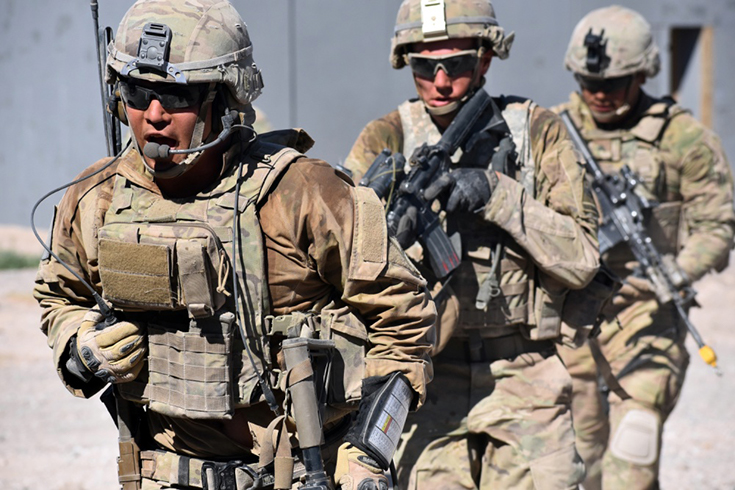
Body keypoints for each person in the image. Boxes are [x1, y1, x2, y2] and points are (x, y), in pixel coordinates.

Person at [33, 1, 436, 489]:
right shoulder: (97, 197)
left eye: (177, 97)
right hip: (163, 473)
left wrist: (369, 452)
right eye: (138, 93)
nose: (154, 116)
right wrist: (83, 347)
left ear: (224, 100)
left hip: (303, 474)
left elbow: (404, 318)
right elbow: (60, 296)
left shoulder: (304, 193)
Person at [343, 1, 601, 488]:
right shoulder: (386, 137)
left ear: (485, 59)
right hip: (427, 376)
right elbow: (339, 263)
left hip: (525, 372)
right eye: (425, 67)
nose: (441, 82)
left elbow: (583, 257)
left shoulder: (535, 132)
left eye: (457, 65)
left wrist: (497, 194)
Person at [554, 6, 735, 489]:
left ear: (642, 74)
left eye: (613, 83)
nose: (598, 93)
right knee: (579, 460)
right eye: (588, 81)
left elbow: (718, 225)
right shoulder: (549, 132)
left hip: (647, 316)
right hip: (570, 321)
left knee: (632, 454)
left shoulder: (683, 138)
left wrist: (676, 272)